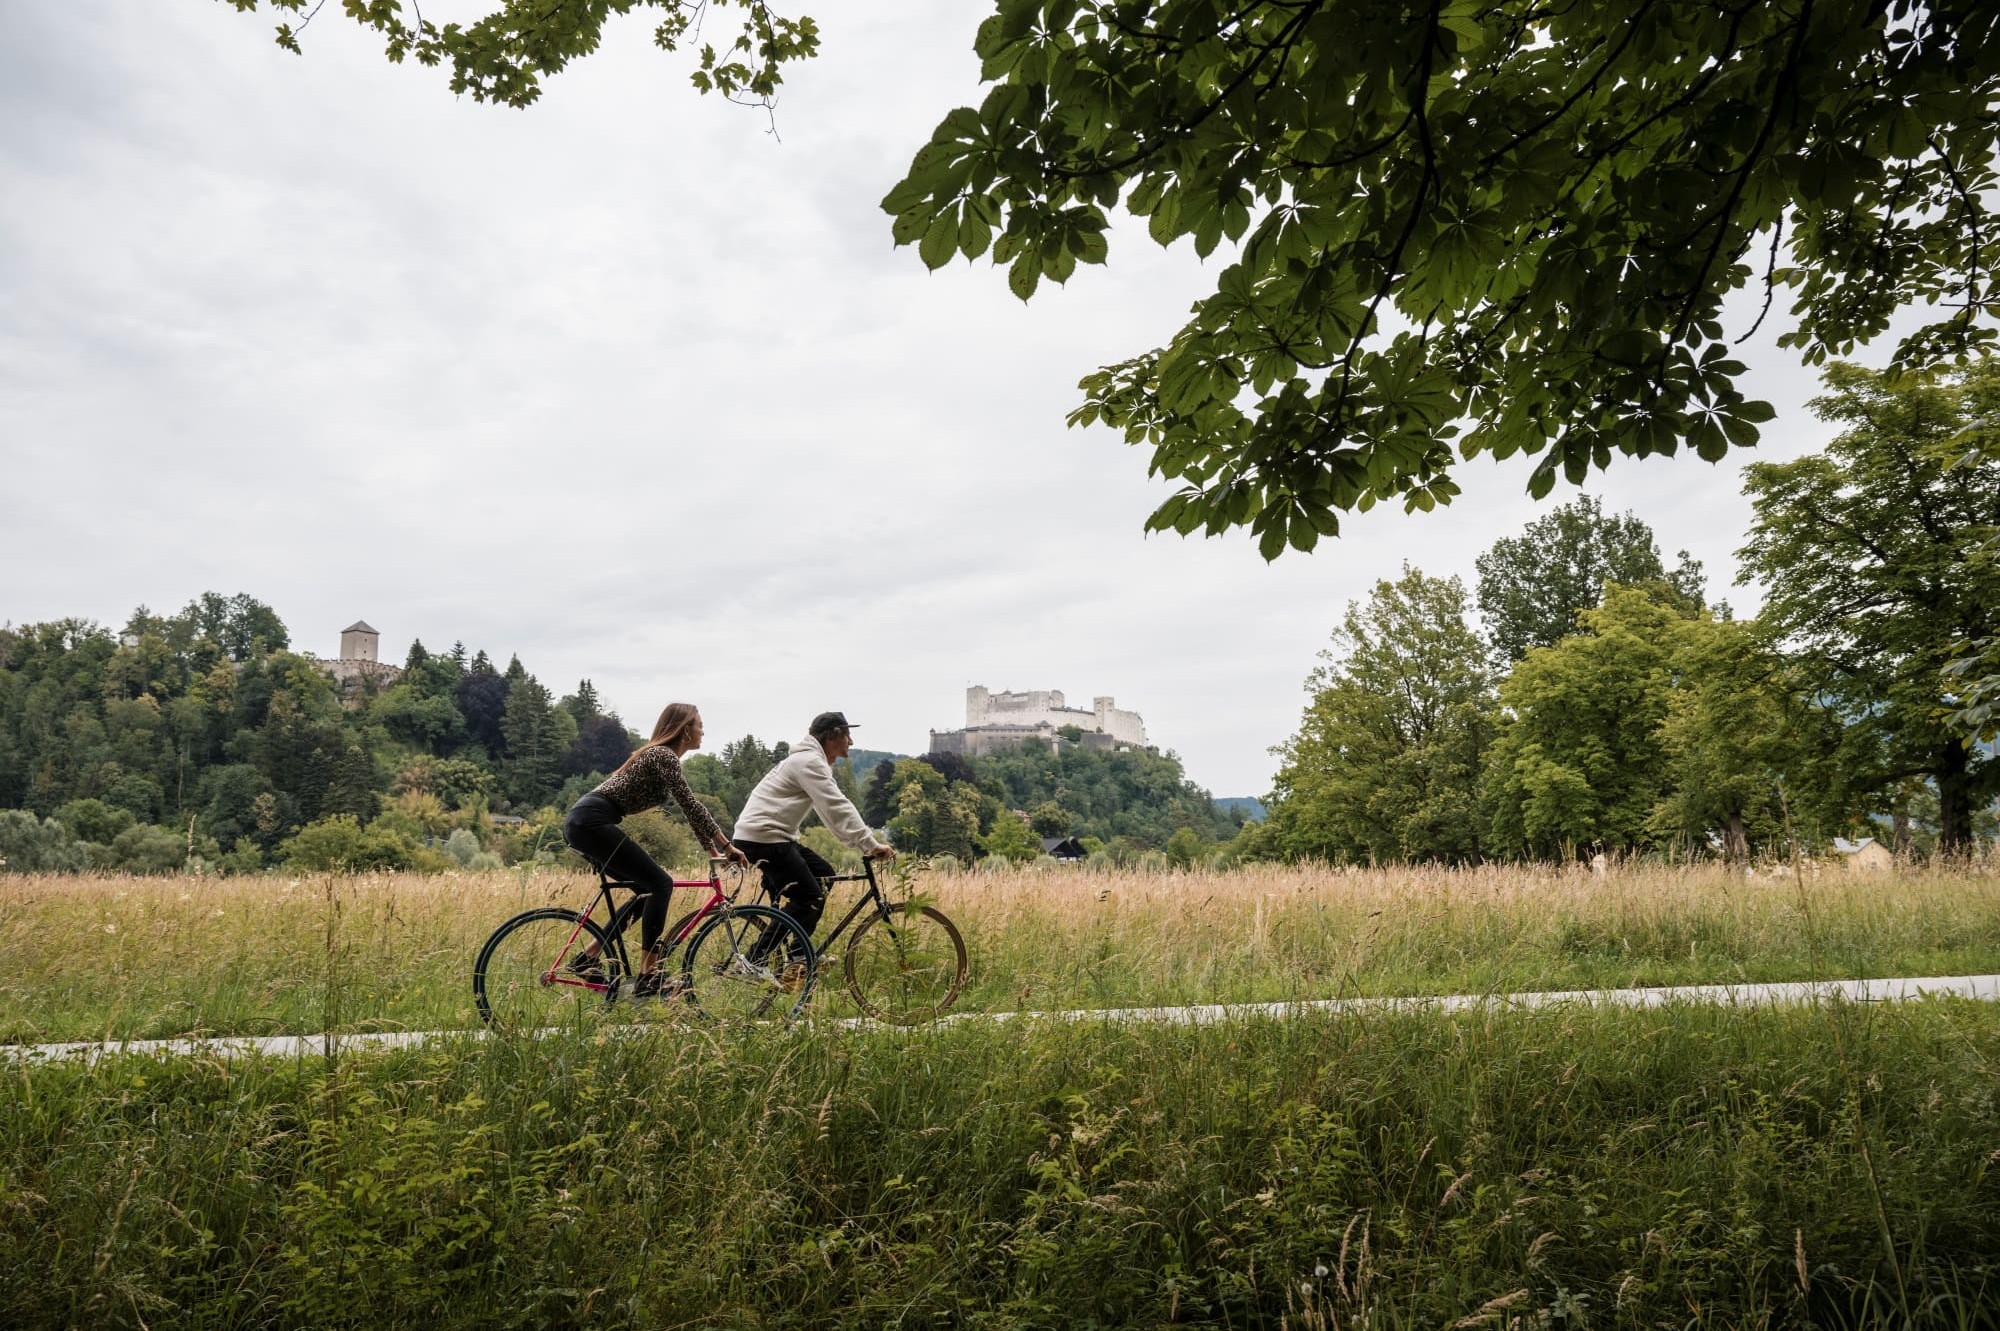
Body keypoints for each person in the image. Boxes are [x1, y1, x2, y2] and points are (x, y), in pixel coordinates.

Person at [562, 702, 748, 997]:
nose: (703, 731)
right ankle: (648, 975)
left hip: (584, 822)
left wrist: (713, 852)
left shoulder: (661, 757)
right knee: (661, 884)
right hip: (590, 821)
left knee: (645, 891)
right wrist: (726, 846)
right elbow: (691, 804)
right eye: (699, 725)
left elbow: (689, 811)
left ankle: (588, 958)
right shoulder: (663, 755)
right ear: (685, 729)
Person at [732, 711, 895, 938]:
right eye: (847, 735)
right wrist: (870, 844)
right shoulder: (809, 762)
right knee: (810, 897)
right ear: (832, 736)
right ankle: (758, 956)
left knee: (824, 875)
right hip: (765, 839)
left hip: (768, 837)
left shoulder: (809, 761)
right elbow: (837, 805)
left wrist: (861, 844)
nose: (851, 741)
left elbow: (827, 810)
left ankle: (799, 953)